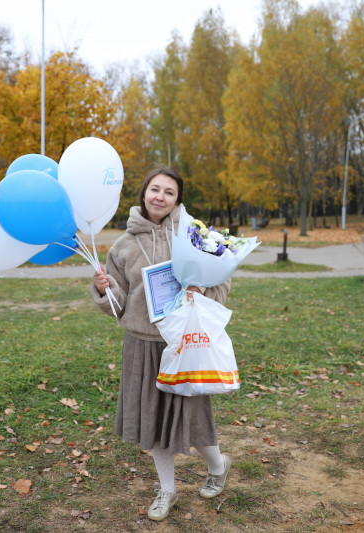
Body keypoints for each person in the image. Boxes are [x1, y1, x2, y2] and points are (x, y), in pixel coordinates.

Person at [92, 167, 232, 521]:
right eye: (155, 189)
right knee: (153, 421)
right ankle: (167, 489)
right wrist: (105, 289)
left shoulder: (193, 236)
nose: (160, 197)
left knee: (193, 416)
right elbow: (118, 305)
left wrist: (202, 289)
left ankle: (218, 465)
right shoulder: (123, 246)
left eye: (169, 192)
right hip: (143, 344)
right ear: (143, 194)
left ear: (177, 200)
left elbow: (222, 281)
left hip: (184, 342)